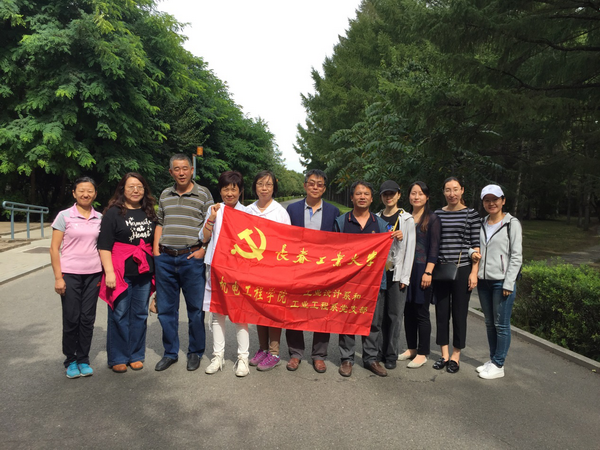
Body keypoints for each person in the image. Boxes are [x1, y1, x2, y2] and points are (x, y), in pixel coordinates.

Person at [334, 180, 403, 377]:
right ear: (352, 197)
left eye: (366, 194)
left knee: (373, 322)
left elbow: (390, 253)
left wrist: (397, 237)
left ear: (372, 199)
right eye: (358, 193)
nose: (362, 197)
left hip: (374, 282)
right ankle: (347, 359)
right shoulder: (341, 222)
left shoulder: (380, 225)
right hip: (348, 281)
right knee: (347, 320)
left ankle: (371, 358)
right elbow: (334, 250)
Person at [153, 154, 214, 372]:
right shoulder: (165, 194)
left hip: (191, 259)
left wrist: (203, 250)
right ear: (171, 172)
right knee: (166, 310)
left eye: (185, 168)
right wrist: (156, 252)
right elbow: (160, 222)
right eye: (177, 169)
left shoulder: (203, 194)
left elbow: (212, 224)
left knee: (195, 309)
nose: (181, 173)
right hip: (165, 259)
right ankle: (170, 353)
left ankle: (195, 352)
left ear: (191, 170)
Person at [98, 172, 156, 373]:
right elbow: (104, 245)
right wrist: (109, 272)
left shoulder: (149, 212)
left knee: (140, 314)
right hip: (120, 271)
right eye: (131, 186)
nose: (135, 190)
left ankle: (136, 355)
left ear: (144, 190)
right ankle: (118, 357)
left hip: (143, 272)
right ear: (123, 189)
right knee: (119, 313)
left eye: (139, 186)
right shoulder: (113, 213)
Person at [285, 169, 340, 373]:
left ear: (324, 189)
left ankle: (319, 355)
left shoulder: (333, 212)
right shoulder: (292, 210)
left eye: (319, 184)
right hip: (296, 269)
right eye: (311, 183)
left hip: (323, 270)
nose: (315, 187)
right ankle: (295, 353)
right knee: (294, 310)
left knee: (322, 311)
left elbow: (340, 241)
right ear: (305, 185)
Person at [50, 177, 103, 378]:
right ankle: (70, 360)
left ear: (95, 194)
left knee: (87, 318)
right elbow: (54, 248)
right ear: (74, 193)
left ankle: (83, 359)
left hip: (93, 274)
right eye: (81, 190)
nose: (85, 194)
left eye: (89, 191)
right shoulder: (64, 216)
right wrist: (58, 277)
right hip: (70, 274)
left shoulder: (100, 217)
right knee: (71, 317)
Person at [200, 171, 251, 377]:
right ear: (220, 191)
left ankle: (243, 358)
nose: (229, 193)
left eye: (233, 189)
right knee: (217, 313)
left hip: (238, 270)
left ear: (240, 191)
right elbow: (204, 237)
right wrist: (212, 218)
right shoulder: (214, 209)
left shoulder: (247, 212)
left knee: (240, 314)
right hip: (216, 268)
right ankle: (218, 357)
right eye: (225, 189)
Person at [471, 185, 522, 379]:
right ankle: (493, 359)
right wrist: (471, 252)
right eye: (487, 200)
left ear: (503, 200)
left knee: (501, 324)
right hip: (484, 281)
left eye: (495, 199)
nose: (491, 203)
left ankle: (499, 364)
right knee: (490, 323)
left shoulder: (511, 224)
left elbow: (516, 256)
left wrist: (509, 283)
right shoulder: (481, 223)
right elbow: (472, 245)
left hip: (502, 282)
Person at [432, 177, 481, 374]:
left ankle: (456, 355)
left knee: (460, 313)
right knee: (441, 312)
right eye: (447, 190)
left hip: (462, 269)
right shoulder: (437, 214)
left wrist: (474, 272)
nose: (451, 194)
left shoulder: (472, 214)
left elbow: (475, 244)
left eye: (455, 189)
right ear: (443, 192)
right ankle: (444, 354)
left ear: (462, 190)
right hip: (442, 269)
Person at [247, 170, 291, 371]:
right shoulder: (248, 210)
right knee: (258, 309)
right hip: (254, 269)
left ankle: (274, 353)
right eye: (260, 184)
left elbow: (287, 242)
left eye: (269, 184)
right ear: (254, 187)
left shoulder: (280, 212)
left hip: (274, 270)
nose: (264, 188)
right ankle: (262, 349)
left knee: (273, 309)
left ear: (274, 188)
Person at [398, 181, 440, 368]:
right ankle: (411, 348)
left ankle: (423, 353)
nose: (416, 197)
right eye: (413, 193)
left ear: (427, 197)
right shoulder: (404, 217)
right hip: (406, 270)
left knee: (421, 312)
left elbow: (434, 248)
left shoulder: (432, 219)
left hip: (423, 270)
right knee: (407, 311)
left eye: (420, 193)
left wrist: (428, 271)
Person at [375, 180, 415, 370]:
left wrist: (405, 278)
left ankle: (391, 354)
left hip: (396, 274)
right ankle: (377, 352)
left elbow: (410, 250)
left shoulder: (406, 219)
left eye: (392, 194)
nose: (389, 197)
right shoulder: (376, 218)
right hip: (378, 274)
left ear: (399, 194)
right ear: (381, 197)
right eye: (385, 194)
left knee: (394, 315)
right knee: (378, 316)